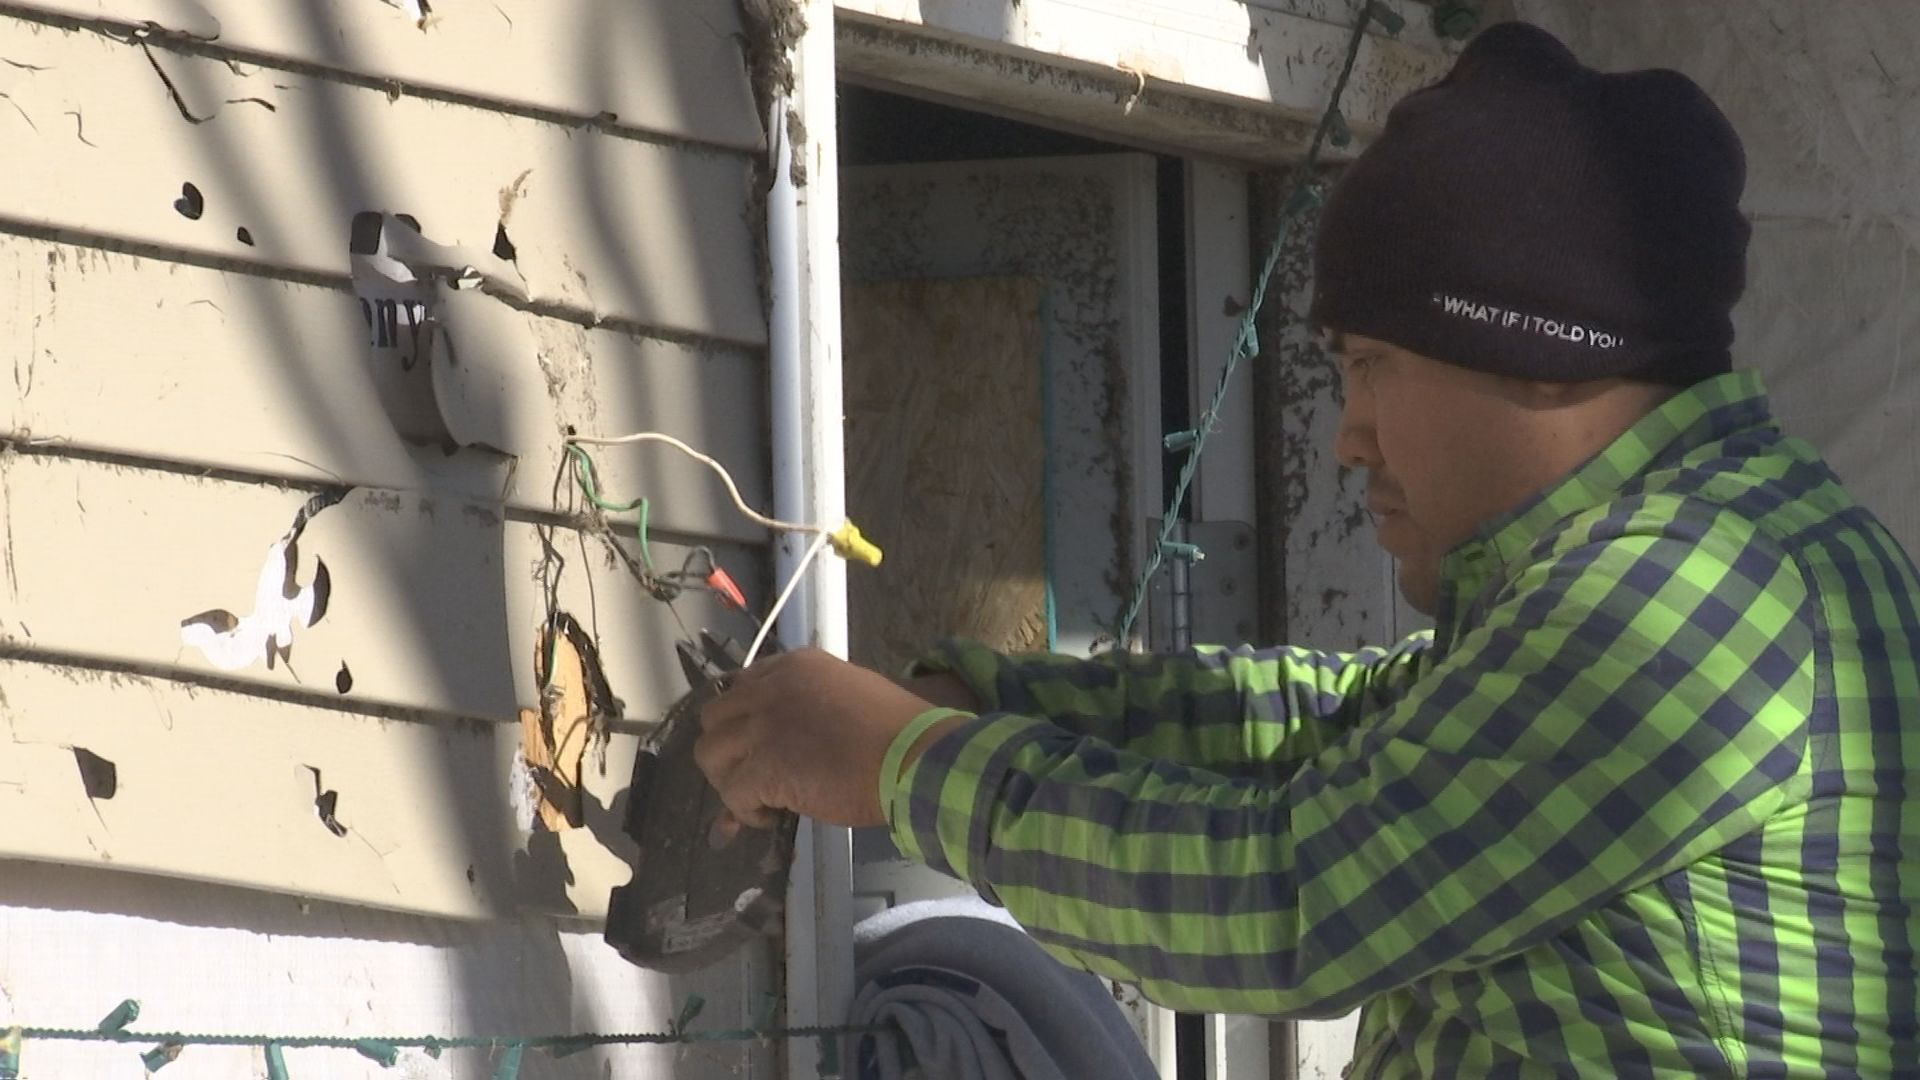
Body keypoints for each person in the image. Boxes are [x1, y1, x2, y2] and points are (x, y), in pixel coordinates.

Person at [697, 22, 1918, 1078]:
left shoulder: (1685, 603)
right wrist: (986, 696)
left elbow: (1295, 897)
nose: (1349, 436)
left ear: (1539, 351)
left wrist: (910, 764)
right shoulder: (1718, 557)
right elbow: (1326, 731)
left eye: (1375, 364)